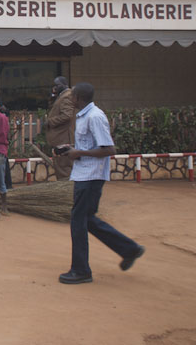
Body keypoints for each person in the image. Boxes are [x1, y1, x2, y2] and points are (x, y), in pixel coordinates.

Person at [58, 82, 145, 285]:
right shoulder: (85, 116)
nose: (70, 100)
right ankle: (129, 249)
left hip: (90, 177)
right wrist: (72, 148)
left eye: (72, 97)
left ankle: (81, 270)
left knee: (79, 222)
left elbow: (108, 149)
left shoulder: (95, 117)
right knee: (87, 219)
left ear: (79, 98)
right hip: (85, 175)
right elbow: (91, 146)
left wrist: (79, 153)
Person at [46, 76, 75, 180]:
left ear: (64, 84)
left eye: (57, 85)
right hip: (60, 137)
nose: (55, 87)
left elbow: (67, 115)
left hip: (64, 137)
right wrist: (53, 95)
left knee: (64, 167)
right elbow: (52, 107)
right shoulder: (61, 96)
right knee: (61, 167)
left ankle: (68, 191)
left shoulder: (67, 96)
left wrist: (50, 122)